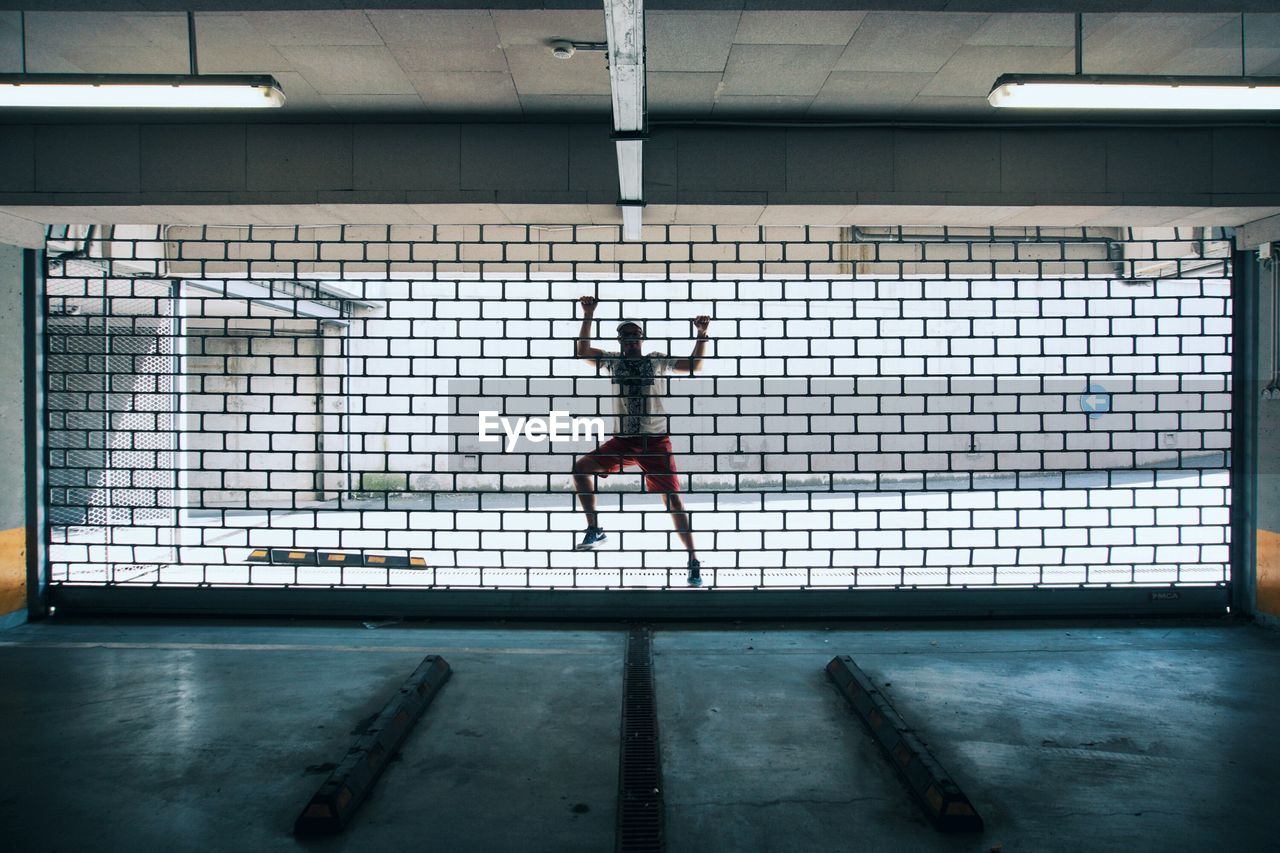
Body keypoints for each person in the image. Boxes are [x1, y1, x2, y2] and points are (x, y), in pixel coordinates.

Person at [571, 296, 711, 586]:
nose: (631, 340)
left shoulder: (657, 360)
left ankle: (693, 559)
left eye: (635, 336)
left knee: (673, 501)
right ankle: (594, 529)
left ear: (642, 339)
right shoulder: (612, 362)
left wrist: (701, 336)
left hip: (655, 442)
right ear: (620, 340)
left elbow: (694, 365)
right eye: (626, 336)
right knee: (581, 468)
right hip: (622, 441)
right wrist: (588, 314)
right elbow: (582, 351)